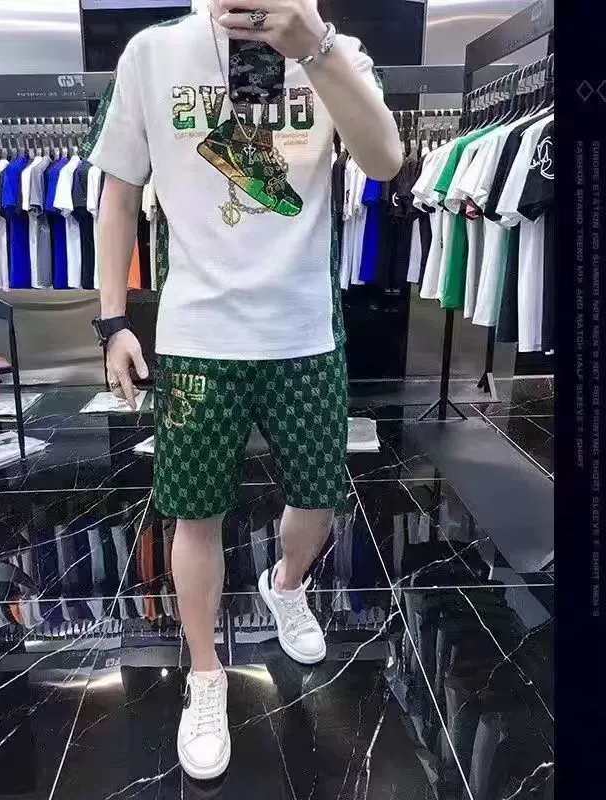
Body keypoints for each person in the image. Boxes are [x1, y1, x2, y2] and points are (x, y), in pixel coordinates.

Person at [85, 0, 402, 781]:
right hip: (196, 337)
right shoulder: (153, 54)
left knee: (319, 498)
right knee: (193, 512)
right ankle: (204, 675)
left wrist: (314, 47)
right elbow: (118, 193)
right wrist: (112, 322)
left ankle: (285, 585)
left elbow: (386, 161)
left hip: (304, 332)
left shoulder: (338, 51)